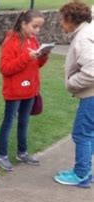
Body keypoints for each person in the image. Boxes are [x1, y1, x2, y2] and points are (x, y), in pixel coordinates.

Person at [0, 9, 50, 171]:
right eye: (34, 26)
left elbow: (35, 66)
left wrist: (43, 56)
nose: (37, 31)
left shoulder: (33, 41)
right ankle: (2, 156)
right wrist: (27, 57)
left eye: (39, 27)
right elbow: (5, 68)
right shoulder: (11, 41)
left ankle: (22, 152)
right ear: (24, 24)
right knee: (8, 122)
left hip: (30, 90)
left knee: (24, 122)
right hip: (14, 92)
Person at [54, 0, 94, 188]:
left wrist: (72, 83)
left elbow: (93, 69)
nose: (61, 24)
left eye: (62, 19)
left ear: (71, 19)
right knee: (88, 133)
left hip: (91, 96)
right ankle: (86, 171)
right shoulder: (87, 32)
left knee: (81, 134)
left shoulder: (83, 38)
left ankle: (81, 174)